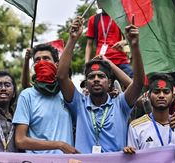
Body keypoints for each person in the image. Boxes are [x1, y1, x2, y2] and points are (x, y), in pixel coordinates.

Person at [57, 16, 145, 153]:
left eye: (101, 76)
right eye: (91, 77)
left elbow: (138, 83)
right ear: (86, 84)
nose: (96, 79)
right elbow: (62, 77)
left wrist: (135, 46)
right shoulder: (79, 104)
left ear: (109, 83)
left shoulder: (120, 104)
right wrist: (72, 39)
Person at [13, 43, 76, 154]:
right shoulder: (27, 95)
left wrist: (73, 39)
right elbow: (20, 140)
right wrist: (59, 145)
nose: (41, 62)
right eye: (37, 60)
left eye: (46, 58)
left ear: (57, 64)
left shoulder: (66, 94)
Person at [85, 0, 133, 79]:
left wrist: (124, 42)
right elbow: (89, 44)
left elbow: (132, 36)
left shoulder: (120, 17)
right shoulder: (93, 20)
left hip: (120, 60)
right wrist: (87, 63)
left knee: (134, 81)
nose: (98, 1)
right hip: (101, 60)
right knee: (95, 83)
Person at [123, 73, 175, 154]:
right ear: (148, 96)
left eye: (166, 92)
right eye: (156, 92)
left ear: (173, 96)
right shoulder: (136, 127)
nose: (161, 95)